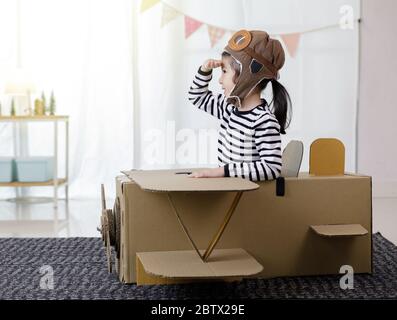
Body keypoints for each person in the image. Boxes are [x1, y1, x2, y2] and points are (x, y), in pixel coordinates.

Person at [188, 29, 292, 181]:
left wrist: (221, 171)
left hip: (247, 199)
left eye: (224, 71)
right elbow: (197, 96)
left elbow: (271, 168)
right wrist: (204, 71)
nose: (220, 80)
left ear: (246, 76)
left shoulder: (263, 121)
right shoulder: (228, 108)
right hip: (230, 191)